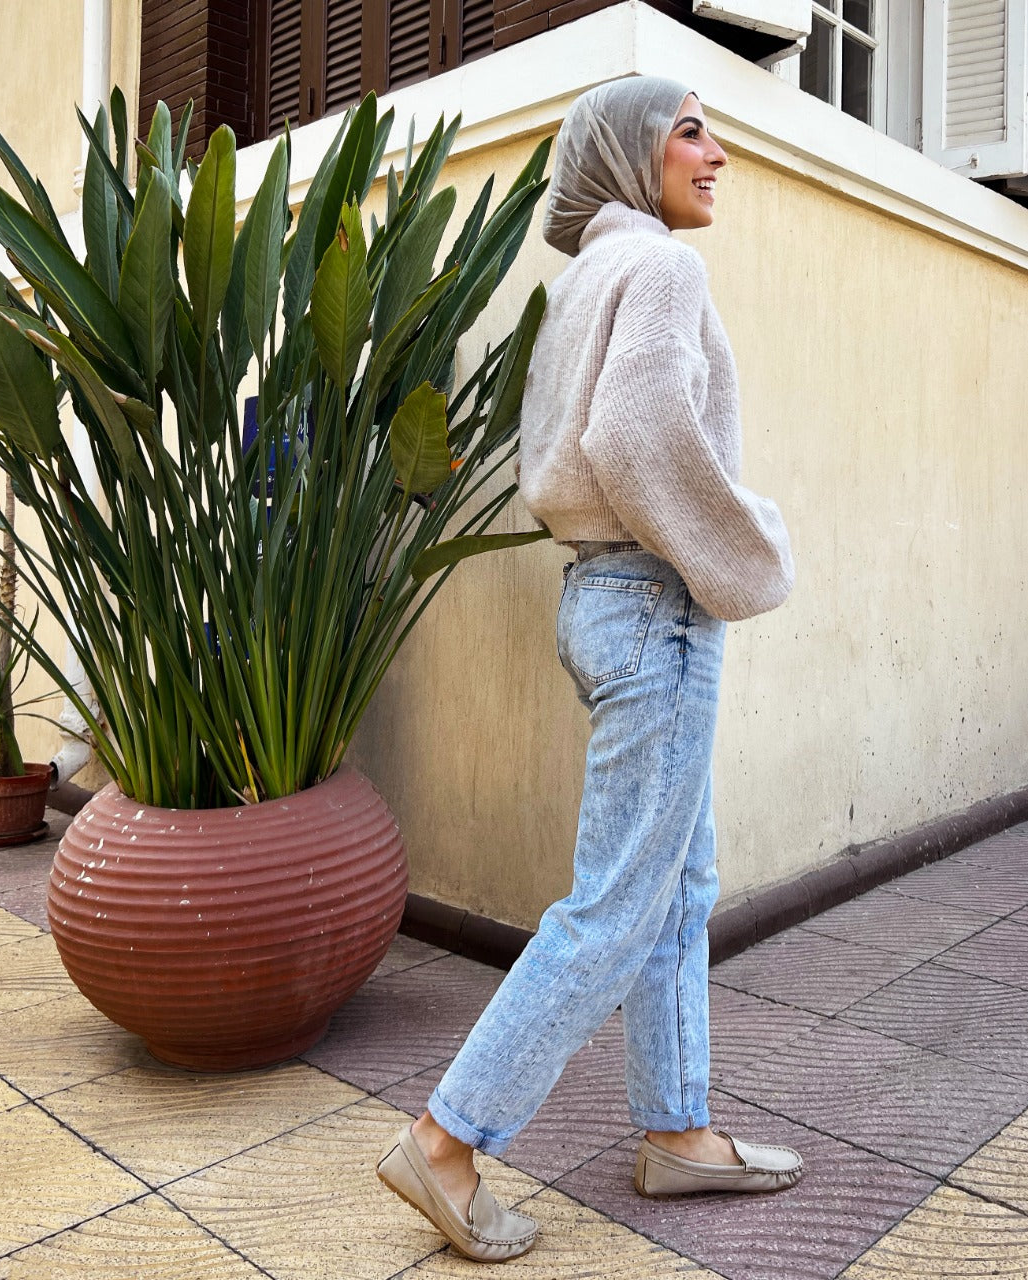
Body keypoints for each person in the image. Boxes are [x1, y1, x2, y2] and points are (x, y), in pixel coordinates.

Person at [377, 74, 800, 1263]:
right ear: (631, 153)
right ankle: (448, 1139)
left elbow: (580, 446)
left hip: (597, 597)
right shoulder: (661, 267)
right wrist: (748, 546)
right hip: (653, 605)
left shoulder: (587, 278)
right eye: (690, 128)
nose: (717, 151)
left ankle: (677, 1130)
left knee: (673, 884)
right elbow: (636, 433)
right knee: (620, 899)